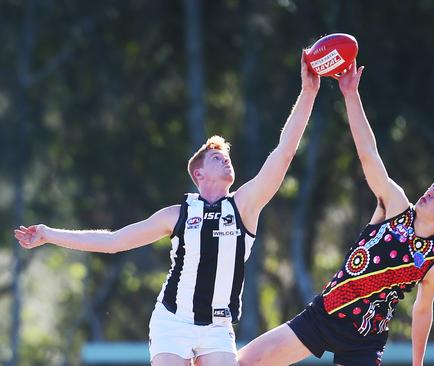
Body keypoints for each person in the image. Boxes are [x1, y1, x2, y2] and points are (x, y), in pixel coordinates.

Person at [14, 53, 320, 366]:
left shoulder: (244, 206)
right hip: (173, 322)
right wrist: (49, 234)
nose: (226, 158)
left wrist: (307, 94)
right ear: (198, 174)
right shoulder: (177, 215)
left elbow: (283, 155)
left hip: (217, 326)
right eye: (216, 157)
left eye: (227, 156)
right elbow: (113, 242)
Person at [238, 62, 434, 366]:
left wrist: (418, 364)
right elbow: (368, 154)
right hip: (326, 313)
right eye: (432, 187)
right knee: (244, 363)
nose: (428, 193)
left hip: (365, 339)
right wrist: (350, 94)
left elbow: (422, 311)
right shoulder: (396, 205)